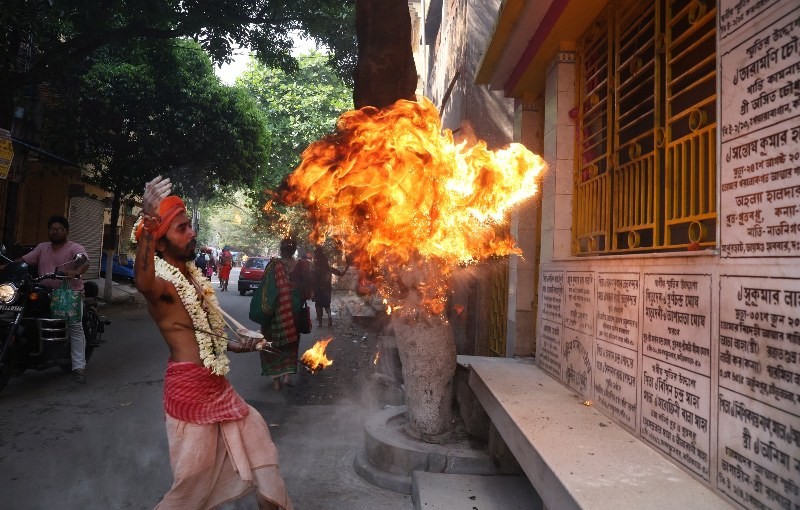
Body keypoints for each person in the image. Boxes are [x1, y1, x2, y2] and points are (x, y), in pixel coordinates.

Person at [133, 176, 293, 510]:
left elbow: (206, 336)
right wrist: (148, 225)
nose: (192, 232)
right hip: (189, 390)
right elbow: (142, 281)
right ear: (160, 243)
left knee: (260, 443)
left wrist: (240, 346)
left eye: (190, 225)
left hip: (217, 385)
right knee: (192, 480)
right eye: (181, 228)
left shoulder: (193, 276)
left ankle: (274, 504)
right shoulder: (162, 286)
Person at [19, 215, 90, 384]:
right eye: (52, 229)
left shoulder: (74, 248)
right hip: (44, 292)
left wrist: (76, 271)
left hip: (68, 293)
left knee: (75, 327)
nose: (55, 232)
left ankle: (79, 368)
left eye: (59, 229)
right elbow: (23, 260)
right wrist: (7, 267)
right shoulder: (42, 248)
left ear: (66, 231)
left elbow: (85, 261)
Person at [256, 238, 312, 391]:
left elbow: (265, 288)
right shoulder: (302, 266)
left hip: (273, 314)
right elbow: (307, 290)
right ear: (294, 250)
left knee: (271, 343)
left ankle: (276, 380)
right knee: (291, 344)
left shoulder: (273, 265)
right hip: (293, 313)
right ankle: (287, 375)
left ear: (281, 249)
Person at [311, 246, 348, 327]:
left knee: (318, 305)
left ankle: (320, 323)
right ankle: (329, 318)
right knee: (327, 305)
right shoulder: (328, 268)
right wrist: (347, 268)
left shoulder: (315, 266)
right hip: (327, 288)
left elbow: (312, 278)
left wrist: (312, 290)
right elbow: (340, 274)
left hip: (318, 289)